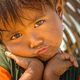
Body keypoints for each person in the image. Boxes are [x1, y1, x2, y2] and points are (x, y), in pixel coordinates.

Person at [0, 0, 79, 80]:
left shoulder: (76, 70)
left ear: (58, 11)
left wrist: (51, 75)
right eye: (16, 36)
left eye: (39, 23)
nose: (35, 42)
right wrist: (33, 72)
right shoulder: (3, 64)